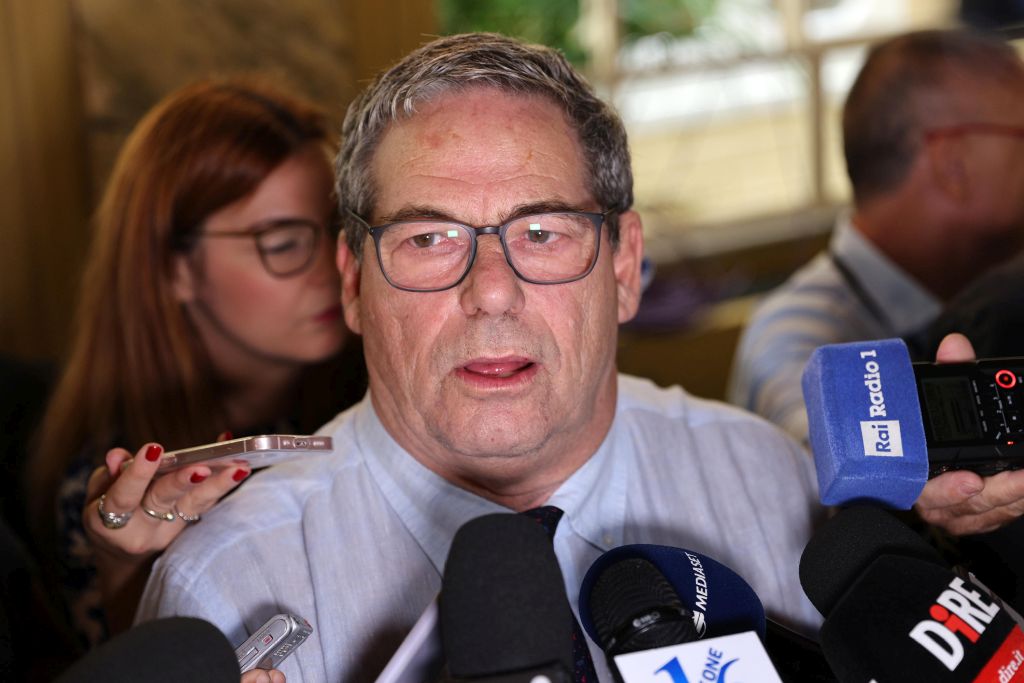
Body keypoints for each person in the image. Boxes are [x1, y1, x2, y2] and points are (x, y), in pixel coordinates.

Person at [136, 33, 823, 682]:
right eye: (428, 238)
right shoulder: (228, 585)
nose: (492, 292)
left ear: (623, 268)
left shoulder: (770, 485)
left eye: (541, 232)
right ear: (352, 284)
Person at [26, 77, 366, 652]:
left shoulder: (368, 398)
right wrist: (126, 568)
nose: (332, 268)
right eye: (283, 243)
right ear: (172, 268)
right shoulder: (108, 478)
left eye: (338, 229)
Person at [727, 29, 1024, 537]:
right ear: (953, 164)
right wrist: (911, 494)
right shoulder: (795, 335)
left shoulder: (987, 298)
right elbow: (826, 454)